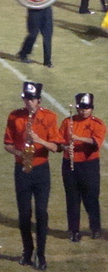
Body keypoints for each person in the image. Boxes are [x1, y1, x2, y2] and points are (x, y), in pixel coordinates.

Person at [3, 81, 63, 271]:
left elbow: (56, 147)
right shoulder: (14, 116)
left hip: (41, 169)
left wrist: (38, 140)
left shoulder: (50, 116)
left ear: (39, 99)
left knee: (42, 213)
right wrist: (21, 154)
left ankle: (41, 253)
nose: (29, 102)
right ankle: (27, 251)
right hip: (22, 169)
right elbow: (7, 144)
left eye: (33, 99)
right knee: (24, 214)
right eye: (26, 98)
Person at [59, 93, 105, 241]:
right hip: (70, 164)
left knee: (91, 198)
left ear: (92, 108)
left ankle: (95, 227)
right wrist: (65, 147)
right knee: (72, 199)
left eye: (87, 108)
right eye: (81, 108)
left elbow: (95, 142)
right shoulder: (68, 122)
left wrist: (77, 138)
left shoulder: (97, 124)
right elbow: (58, 141)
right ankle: (73, 230)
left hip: (89, 165)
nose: (83, 111)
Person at [16, 0, 66, 68]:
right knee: (33, 33)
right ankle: (23, 53)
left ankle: (47, 61)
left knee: (48, 35)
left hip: (46, 7)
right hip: (34, 8)